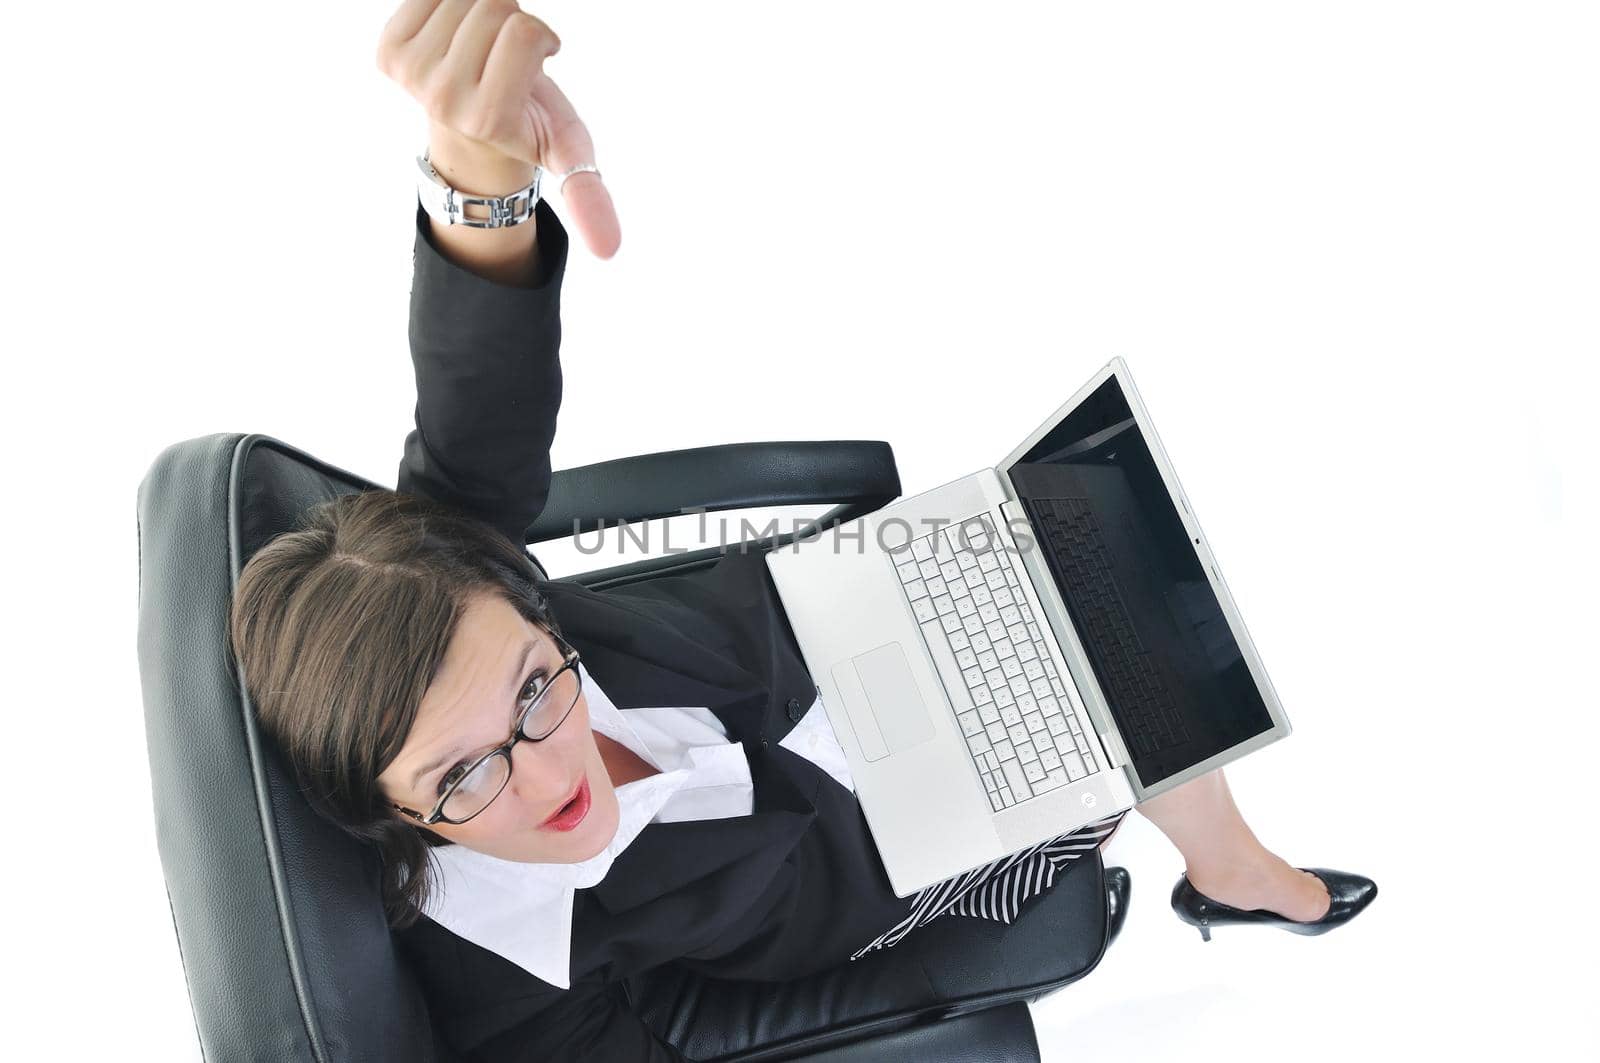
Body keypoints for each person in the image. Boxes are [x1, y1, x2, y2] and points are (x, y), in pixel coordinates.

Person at [227, 3, 1377, 1059]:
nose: (544, 771)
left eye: (535, 688)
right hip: (872, 860)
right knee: (1112, 719)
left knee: (1090, 528)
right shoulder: (512, 990)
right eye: (464, 775)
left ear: (529, 613)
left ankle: (1216, 857)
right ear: (388, 815)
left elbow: (474, 422)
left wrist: (476, 163)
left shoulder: (448, 587)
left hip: (825, 623)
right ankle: (1226, 869)